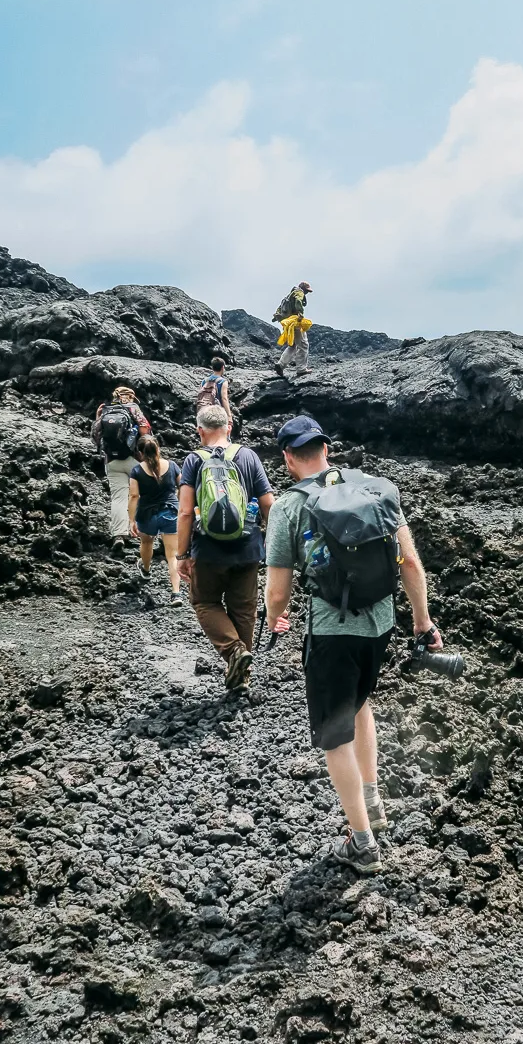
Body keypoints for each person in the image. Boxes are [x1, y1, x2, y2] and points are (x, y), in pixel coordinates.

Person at [264, 415, 442, 876]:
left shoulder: (288, 507)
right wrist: (422, 622)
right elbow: (410, 563)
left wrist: (272, 616)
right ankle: (372, 801)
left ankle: (362, 843)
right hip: (381, 626)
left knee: (333, 734)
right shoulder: (377, 490)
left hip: (332, 632)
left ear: (287, 458)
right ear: (326, 449)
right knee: (361, 704)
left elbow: (278, 589)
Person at [175, 405, 274, 690]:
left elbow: (185, 512)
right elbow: (269, 504)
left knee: (205, 602)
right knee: (244, 608)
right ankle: (242, 676)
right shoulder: (248, 456)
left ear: (200, 431)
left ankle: (233, 652)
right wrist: (273, 545)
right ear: (229, 427)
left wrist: (182, 555)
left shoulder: (194, 460)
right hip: (248, 547)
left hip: (208, 550)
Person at [91, 386, 152, 557]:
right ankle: (139, 532)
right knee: (139, 495)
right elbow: (145, 430)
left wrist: (98, 417)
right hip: (134, 460)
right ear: (131, 397)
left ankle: (119, 535)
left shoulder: (105, 410)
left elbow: (95, 436)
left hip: (112, 461)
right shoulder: (133, 408)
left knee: (118, 498)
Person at [127, 435, 183, 605]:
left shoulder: (137, 471)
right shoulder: (172, 466)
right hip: (171, 512)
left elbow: (134, 496)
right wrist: (179, 502)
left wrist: (131, 520)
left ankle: (146, 570)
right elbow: (183, 486)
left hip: (147, 515)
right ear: (158, 448)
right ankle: (176, 593)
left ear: (140, 453)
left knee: (146, 543)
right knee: (172, 555)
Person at [273, 282, 313, 378]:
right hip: (295, 322)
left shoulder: (289, 295)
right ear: (303, 289)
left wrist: (276, 317)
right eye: (307, 291)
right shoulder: (299, 292)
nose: (307, 293)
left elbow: (280, 309)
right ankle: (301, 369)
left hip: (288, 323)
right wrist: (300, 313)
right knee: (303, 345)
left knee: (293, 345)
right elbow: (298, 301)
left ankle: (281, 365)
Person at [196, 356, 233, 432]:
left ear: (212, 368)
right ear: (223, 367)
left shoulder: (204, 381)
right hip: (218, 413)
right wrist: (229, 416)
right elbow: (224, 399)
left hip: (206, 412)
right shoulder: (223, 381)